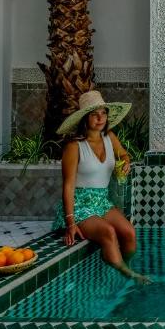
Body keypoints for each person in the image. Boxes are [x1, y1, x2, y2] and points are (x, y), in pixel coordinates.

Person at [52, 90, 149, 283]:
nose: (100, 118)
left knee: (129, 232)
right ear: (84, 119)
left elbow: (123, 154)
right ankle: (129, 275)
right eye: (94, 114)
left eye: (103, 113)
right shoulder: (74, 147)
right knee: (108, 232)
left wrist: (125, 162)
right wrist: (70, 223)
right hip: (80, 205)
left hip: (101, 201)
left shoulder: (109, 137)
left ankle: (124, 269)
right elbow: (68, 186)